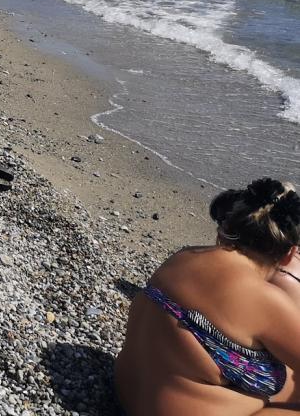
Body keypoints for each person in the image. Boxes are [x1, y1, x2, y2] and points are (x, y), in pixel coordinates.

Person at [115, 178, 300, 415]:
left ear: (231, 224)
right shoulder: (265, 300)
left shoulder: (182, 257)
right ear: (289, 254)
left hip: (126, 395)